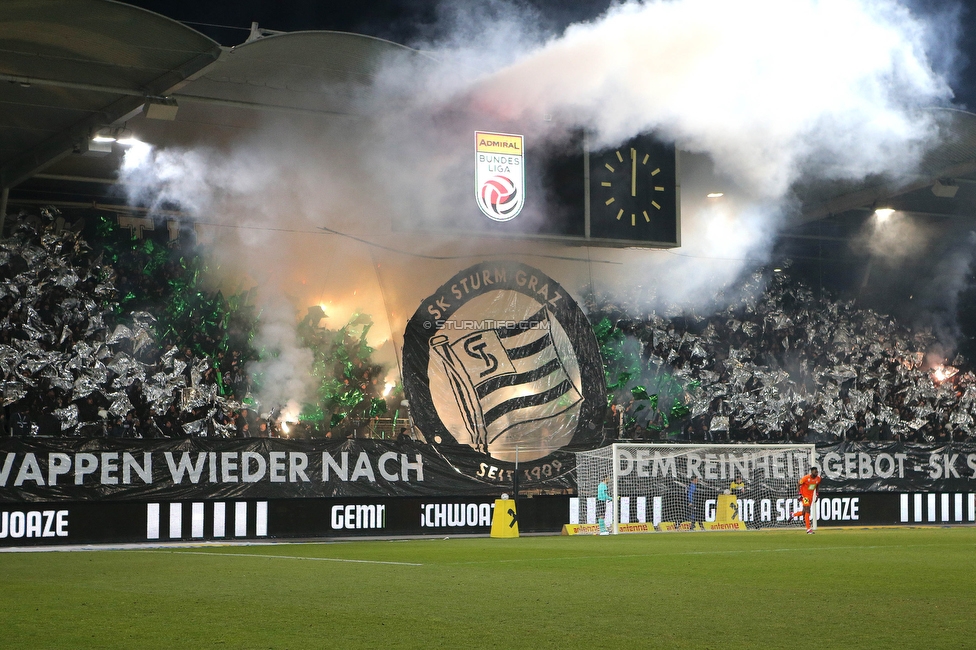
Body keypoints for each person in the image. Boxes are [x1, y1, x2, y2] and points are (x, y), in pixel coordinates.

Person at [791, 466, 822, 534]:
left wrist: (817, 494)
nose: (816, 472)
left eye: (817, 471)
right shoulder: (806, 478)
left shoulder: (818, 479)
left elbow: (817, 485)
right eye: (815, 471)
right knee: (808, 510)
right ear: (811, 472)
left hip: (810, 497)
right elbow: (798, 485)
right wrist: (800, 494)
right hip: (804, 496)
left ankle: (793, 515)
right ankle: (808, 529)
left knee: (804, 512)